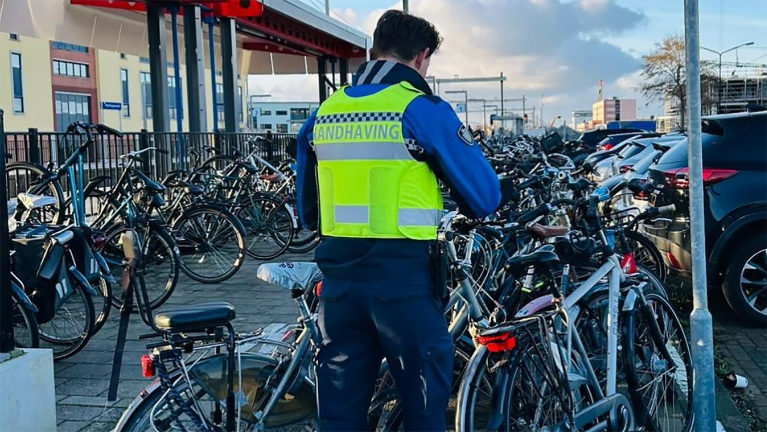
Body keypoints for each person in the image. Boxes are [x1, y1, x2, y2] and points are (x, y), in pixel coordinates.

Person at [296, 10, 506, 431]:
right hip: (403, 283)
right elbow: (484, 197)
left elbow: (309, 210)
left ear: (375, 50)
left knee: (339, 411)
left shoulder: (325, 113)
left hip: (339, 284)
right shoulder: (420, 109)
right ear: (422, 57)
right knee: (424, 406)